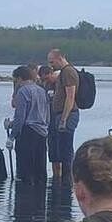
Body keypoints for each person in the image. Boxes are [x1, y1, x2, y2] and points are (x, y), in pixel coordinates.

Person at [11, 64, 50, 184]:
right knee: (40, 166)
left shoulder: (22, 92)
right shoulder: (42, 90)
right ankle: (40, 197)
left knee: (26, 167)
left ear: (19, 78)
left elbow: (20, 117)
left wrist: (12, 136)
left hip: (27, 132)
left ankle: (26, 197)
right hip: (42, 131)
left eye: (15, 80)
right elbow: (47, 113)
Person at [47, 48, 80, 178]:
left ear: (59, 58)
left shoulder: (68, 72)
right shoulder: (63, 73)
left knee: (66, 151)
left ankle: (67, 180)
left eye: (52, 62)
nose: (51, 65)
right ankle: (61, 181)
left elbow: (70, 96)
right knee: (60, 150)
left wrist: (63, 119)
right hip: (60, 114)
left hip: (67, 115)